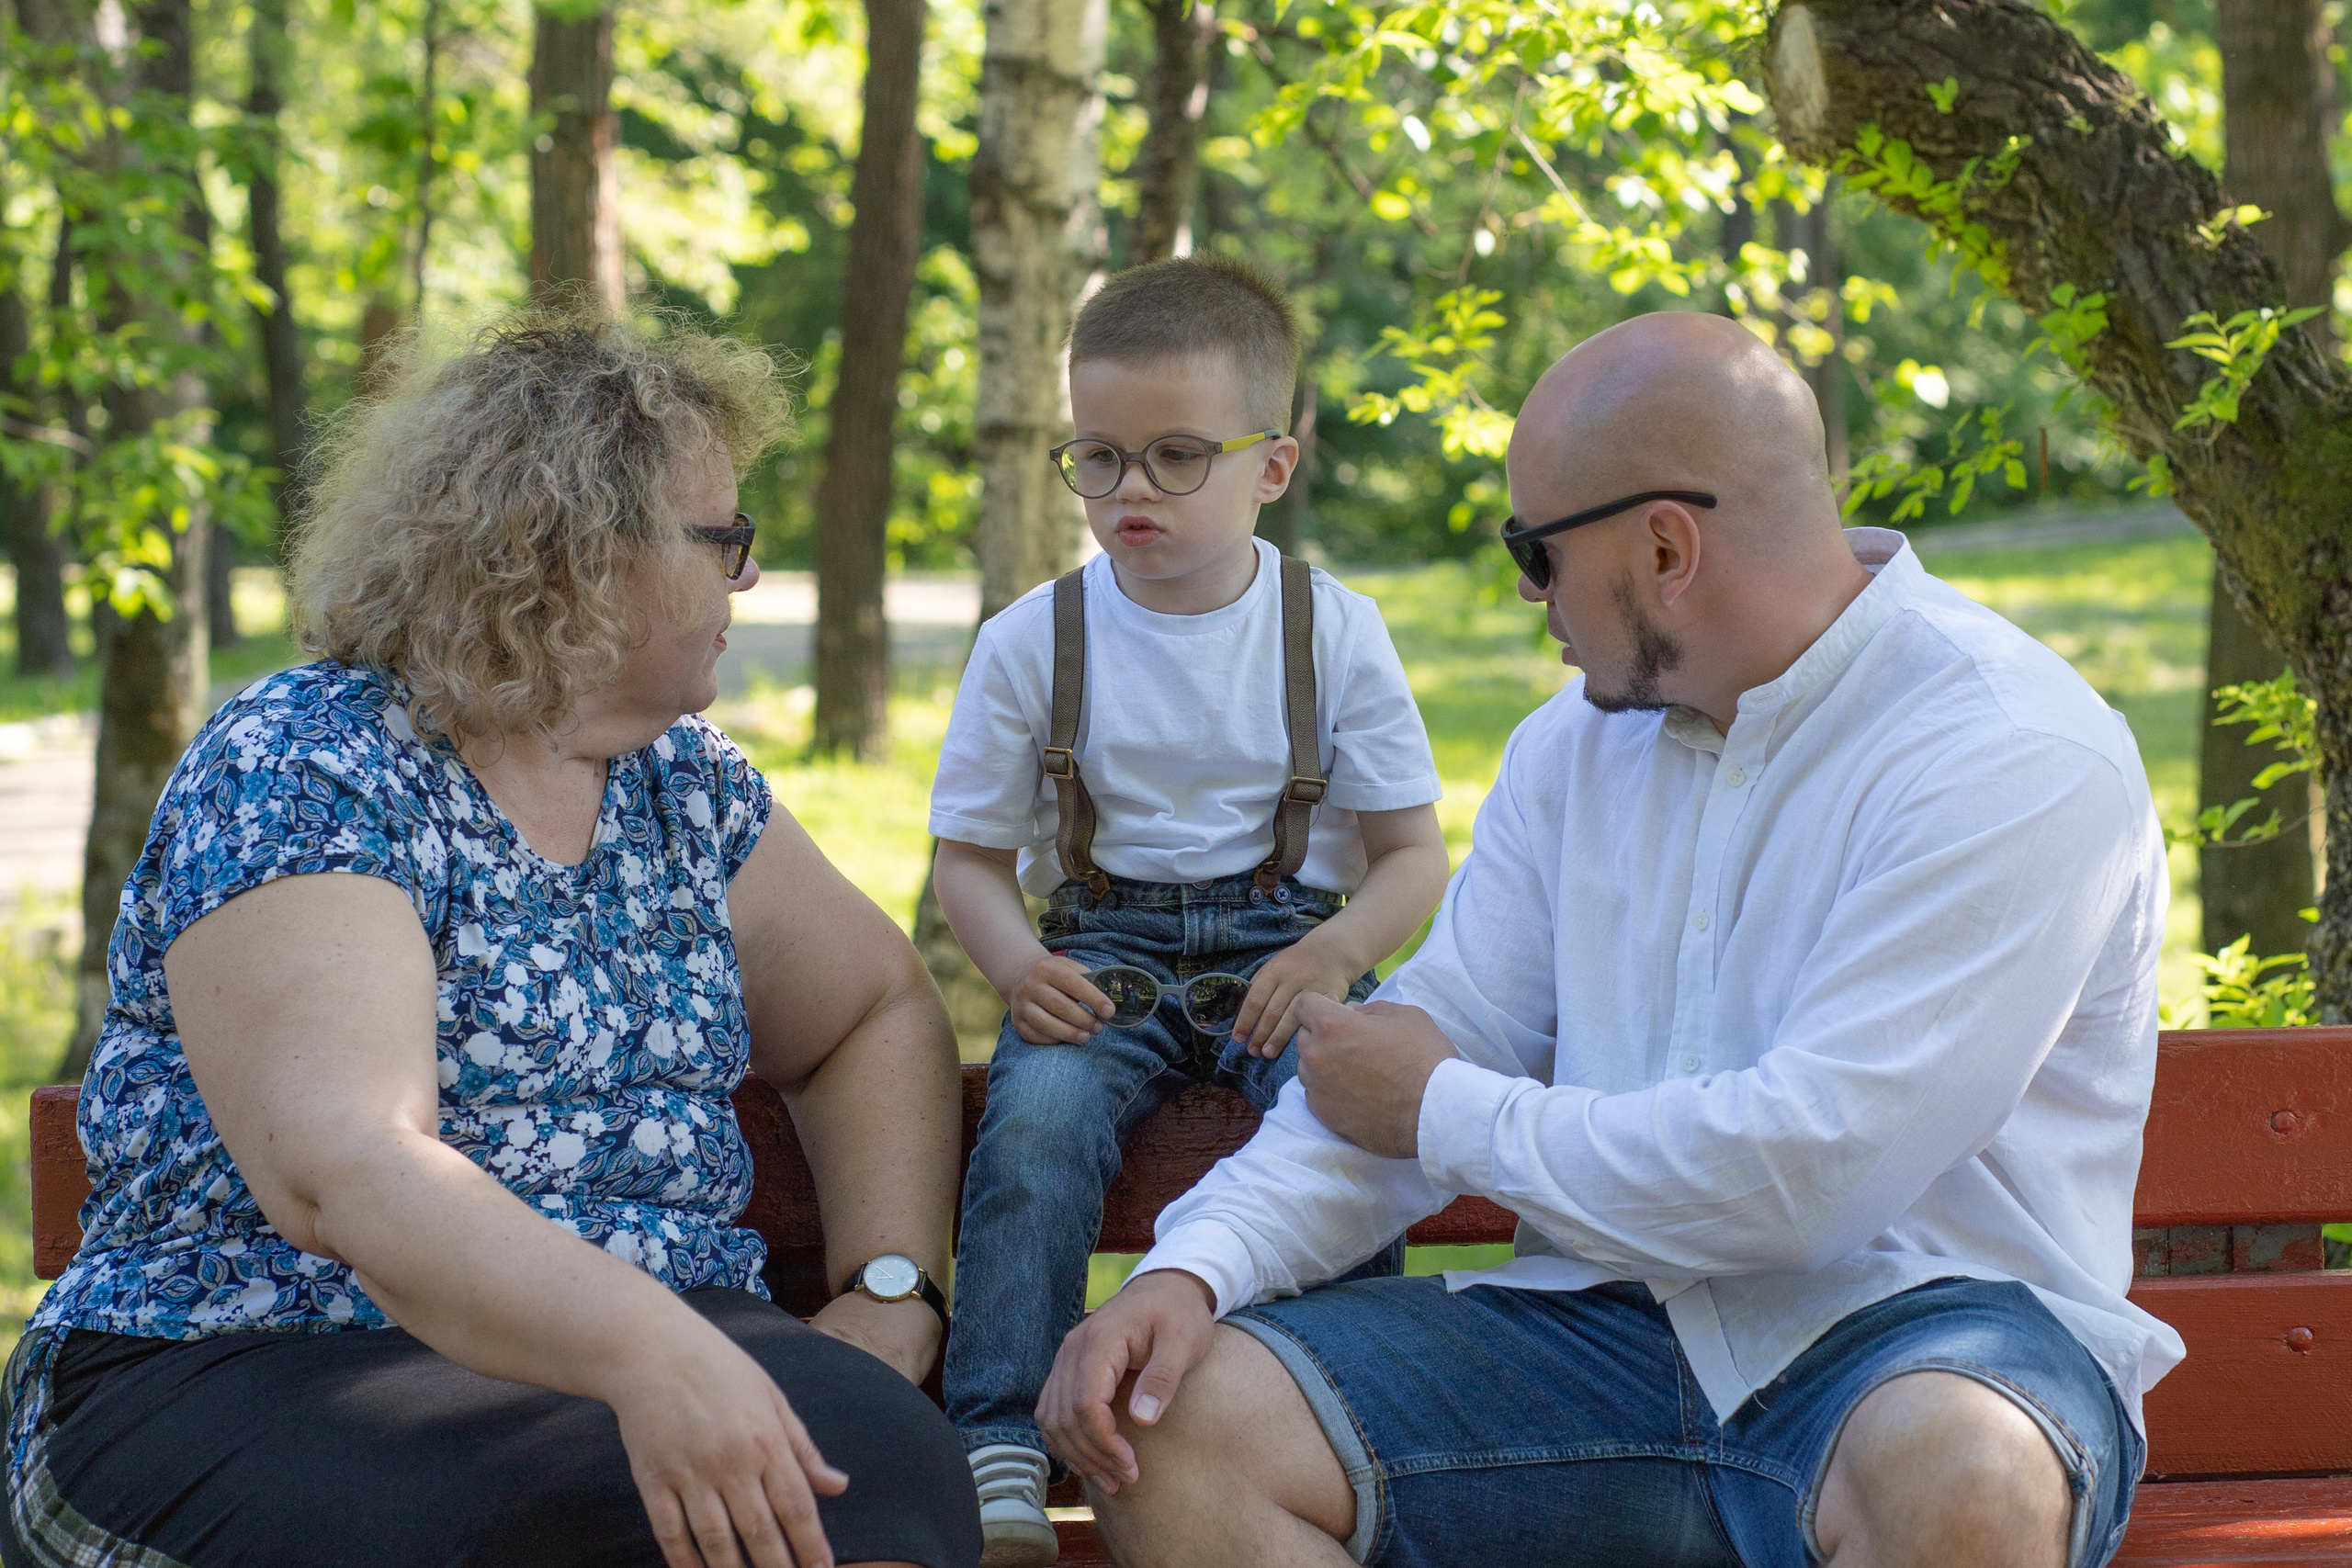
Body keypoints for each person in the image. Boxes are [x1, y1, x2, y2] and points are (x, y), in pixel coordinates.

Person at [1037, 310, 2188, 1568]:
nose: (1531, 597)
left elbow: (1807, 1175)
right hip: (1601, 1338)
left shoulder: (2008, 750)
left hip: (1928, 1339)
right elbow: (1412, 1051)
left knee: (1969, 1473)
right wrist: (1189, 1273)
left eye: (1537, 553)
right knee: (1168, 1425)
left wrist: (1445, 1115)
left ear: (1664, 546)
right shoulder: (1571, 750)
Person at [5, 307, 982, 1568]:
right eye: (724, 539)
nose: (748, 577)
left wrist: (891, 1288)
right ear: (578, 554)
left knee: (875, 1477)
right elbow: (346, 1167)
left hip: (640, 1372)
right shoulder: (310, 761)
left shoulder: (684, 785)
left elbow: (871, 1013)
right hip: (262, 1357)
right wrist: (651, 1345)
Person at [927, 255, 1451, 1564]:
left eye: (1173, 457)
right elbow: (971, 861)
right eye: (1096, 459)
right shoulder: (1032, 639)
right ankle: (997, 1433)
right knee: (1034, 1120)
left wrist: (1338, 951)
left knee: (1344, 1126)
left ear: (1271, 468)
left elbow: (1410, 860)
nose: (1130, 494)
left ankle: (1330, 1405)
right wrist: (1011, 961)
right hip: (1103, 949)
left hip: (1292, 944)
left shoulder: (1329, 629)